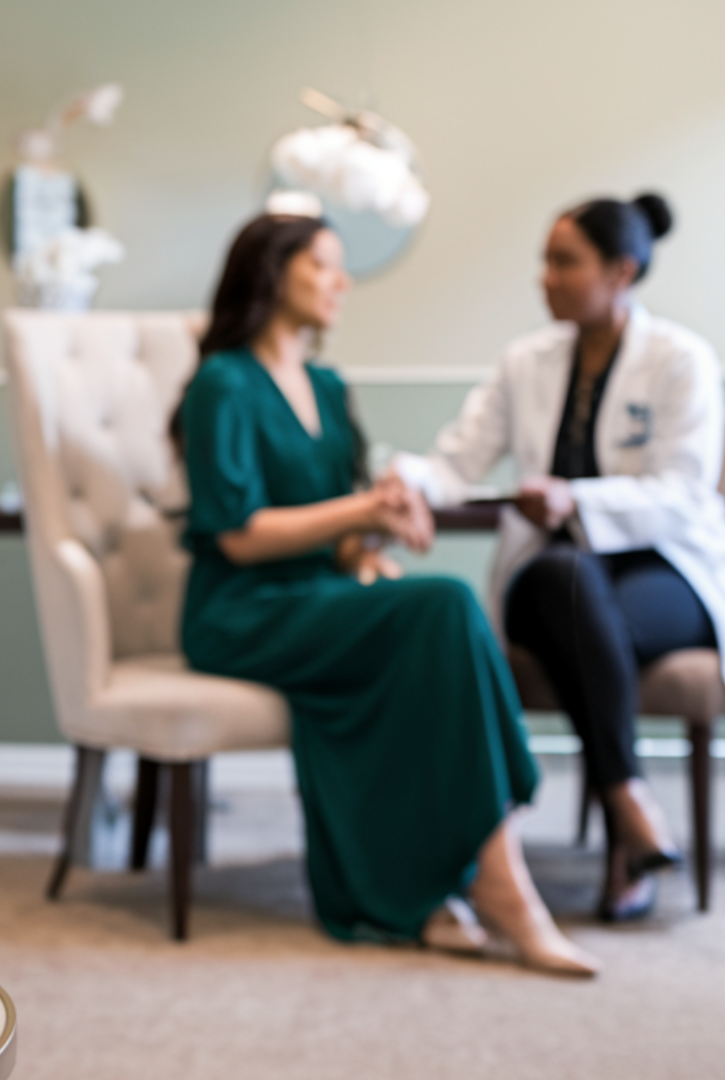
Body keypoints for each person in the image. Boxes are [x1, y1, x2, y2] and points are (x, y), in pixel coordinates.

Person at [177, 207, 600, 976]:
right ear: (273, 273)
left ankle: (441, 887)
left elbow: (337, 534)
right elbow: (238, 533)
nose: (342, 282)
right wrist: (367, 508)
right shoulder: (222, 383)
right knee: (443, 607)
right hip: (242, 610)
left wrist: (369, 538)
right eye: (324, 264)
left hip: (318, 597)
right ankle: (503, 889)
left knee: (432, 617)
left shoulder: (328, 387)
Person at [396, 193, 725, 921]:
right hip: (560, 583)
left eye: (564, 262)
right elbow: (456, 460)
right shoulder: (524, 362)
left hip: (668, 574)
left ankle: (621, 819)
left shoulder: (678, 359)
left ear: (622, 269)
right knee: (560, 577)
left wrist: (577, 500)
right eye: (545, 260)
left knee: (577, 610)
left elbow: (684, 493)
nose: (546, 277)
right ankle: (628, 813)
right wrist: (402, 482)